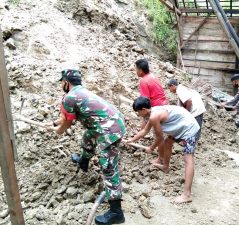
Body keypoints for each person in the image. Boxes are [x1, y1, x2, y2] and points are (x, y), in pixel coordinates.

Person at [45, 69, 126, 225]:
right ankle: (84, 161)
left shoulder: (69, 97)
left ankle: (116, 212)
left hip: (109, 131)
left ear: (66, 83)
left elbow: (66, 125)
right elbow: (65, 118)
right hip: (113, 123)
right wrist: (54, 123)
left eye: (62, 82)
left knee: (109, 168)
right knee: (88, 135)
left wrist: (57, 130)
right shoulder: (81, 92)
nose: (62, 84)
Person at [125, 96, 200, 204]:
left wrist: (151, 148)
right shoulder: (150, 114)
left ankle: (187, 195)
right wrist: (130, 140)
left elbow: (159, 138)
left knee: (188, 159)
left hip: (189, 129)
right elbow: (144, 131)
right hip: (181, 127)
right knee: (167, 143)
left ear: (144, 110)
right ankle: (165, 167)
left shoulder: (154, 116)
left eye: (138, 112)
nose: (138, 114)